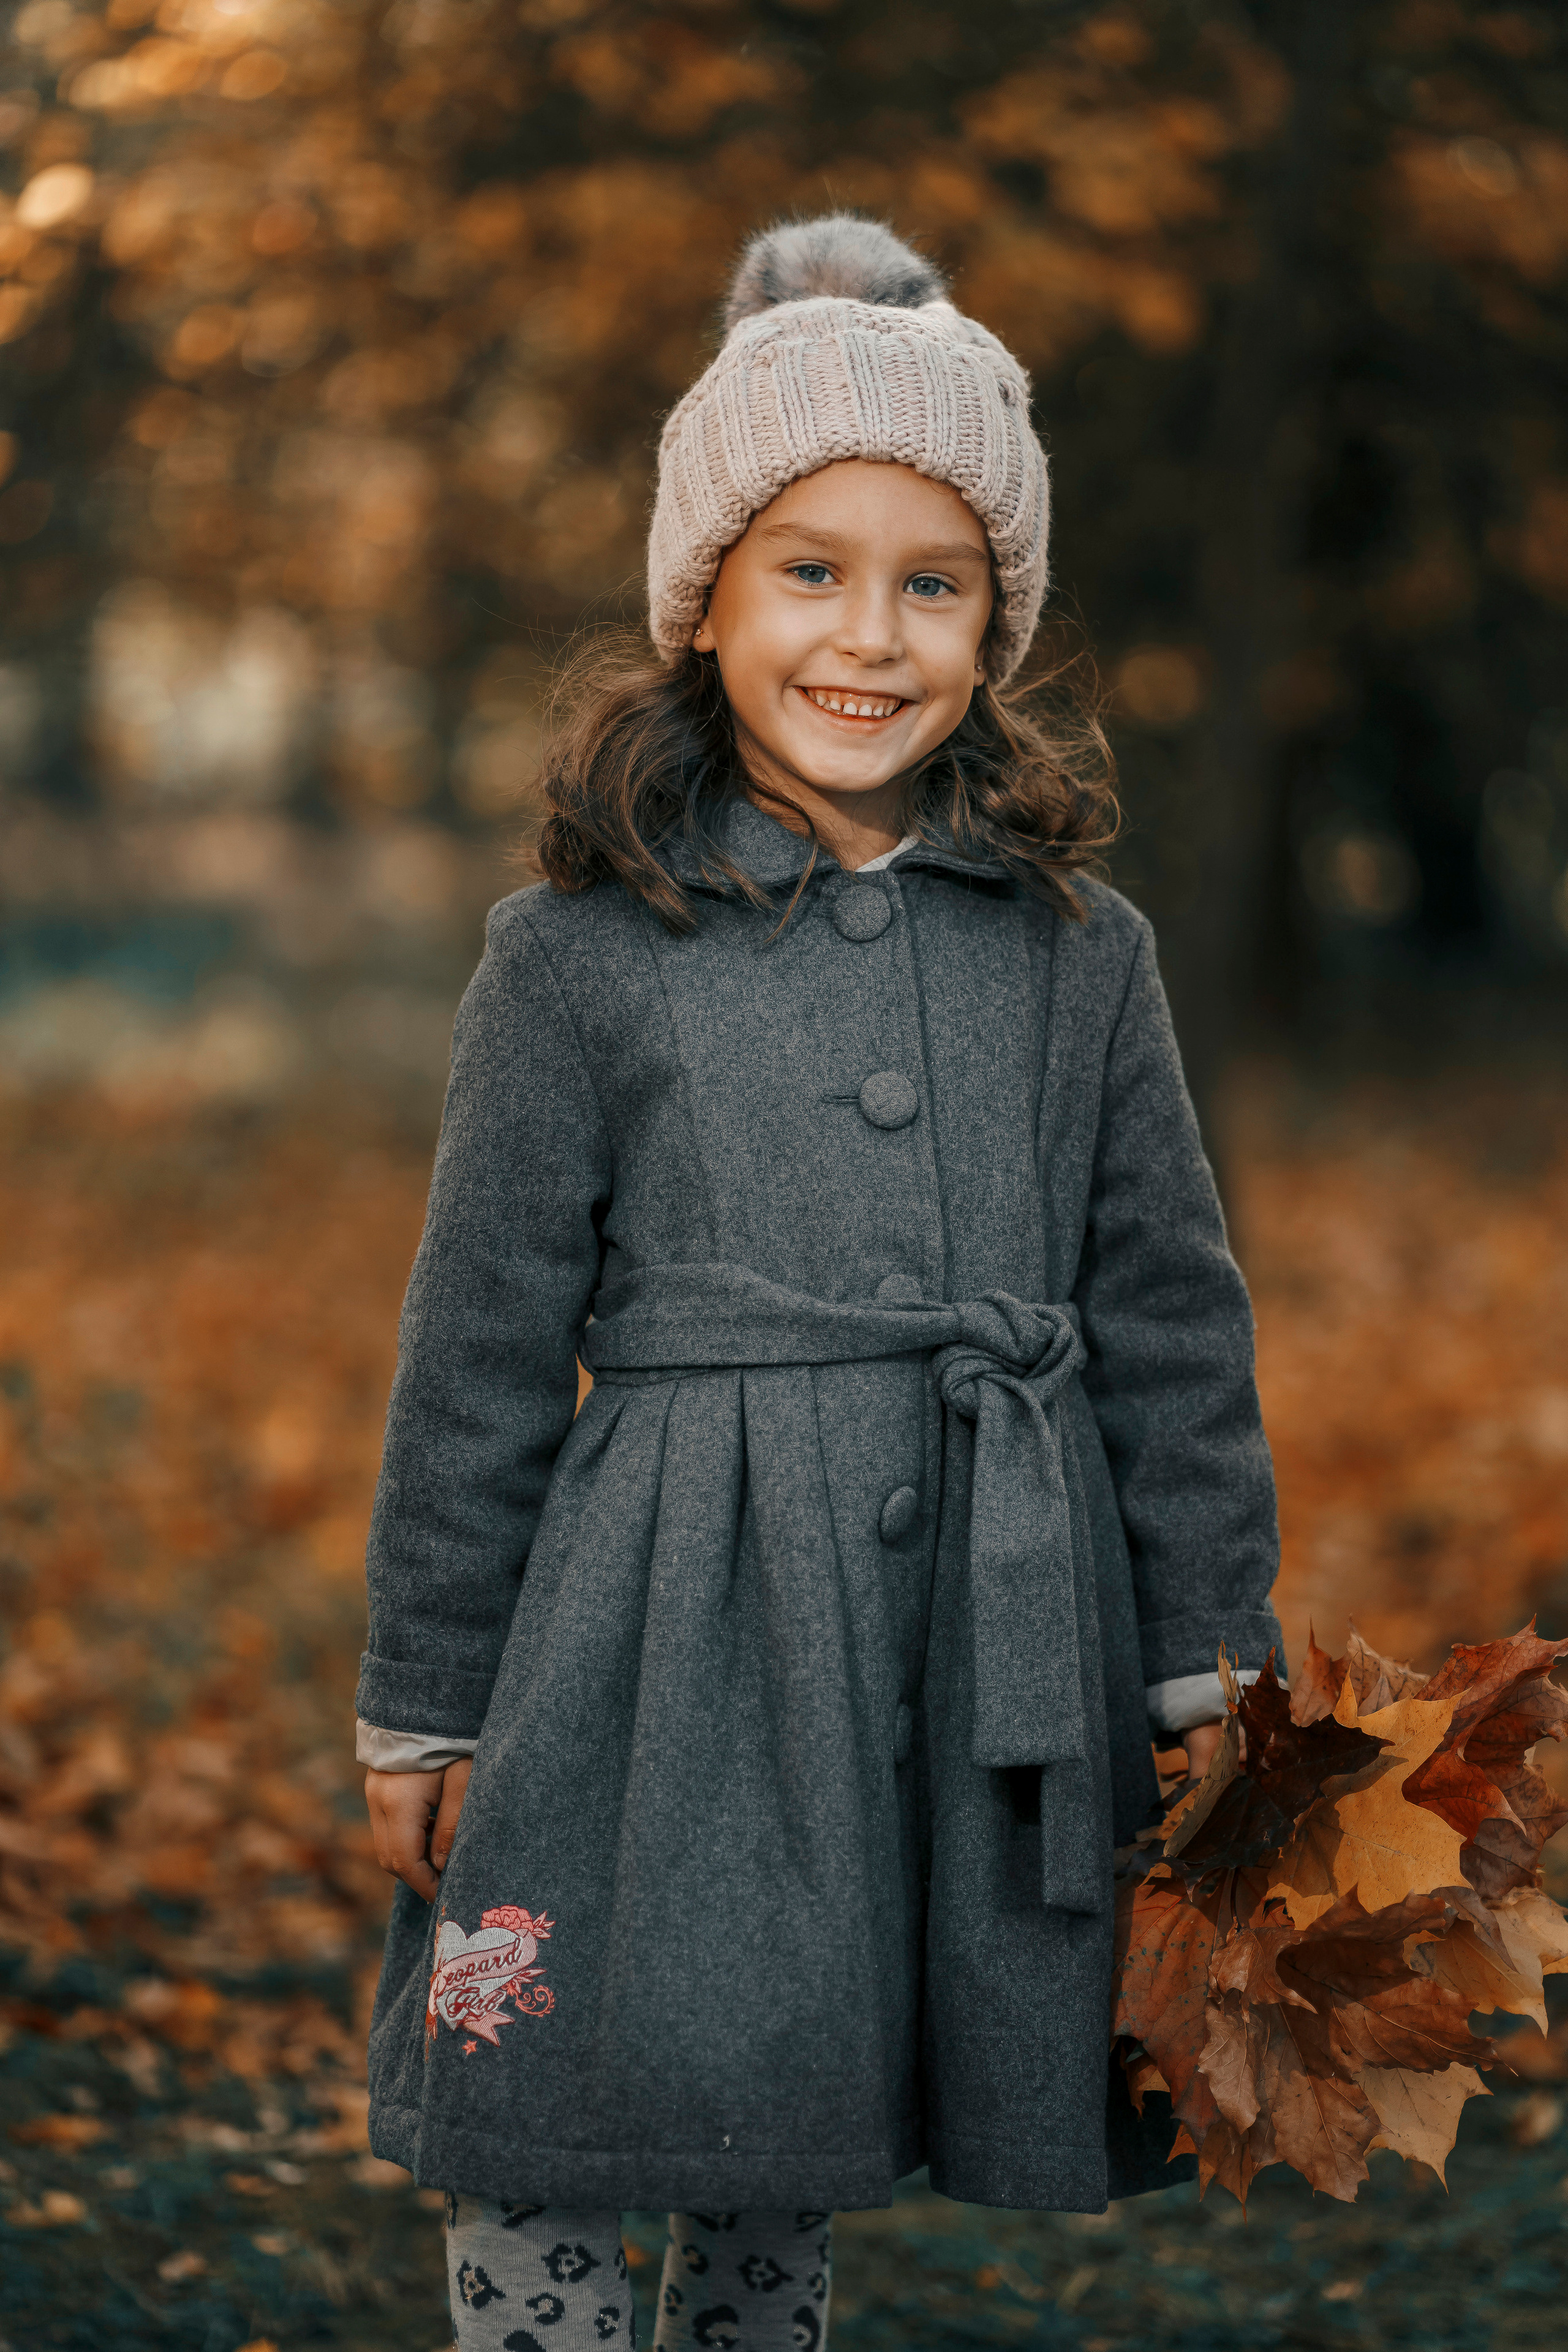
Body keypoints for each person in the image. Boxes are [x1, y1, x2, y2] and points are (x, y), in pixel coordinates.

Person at [356, 214, 1282, 2352]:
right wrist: (429, 1690)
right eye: (810, 571)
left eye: (932, 583)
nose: (869, 637)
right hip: (655, 1626)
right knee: (571, 2084)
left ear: (996, 621)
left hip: (973, 1625)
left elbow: (1168, 1321)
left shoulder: (1080, 955)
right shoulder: (578, 953)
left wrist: (1211, 1664)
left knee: (792, 2112)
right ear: (705, 602)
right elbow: (478, 1346)